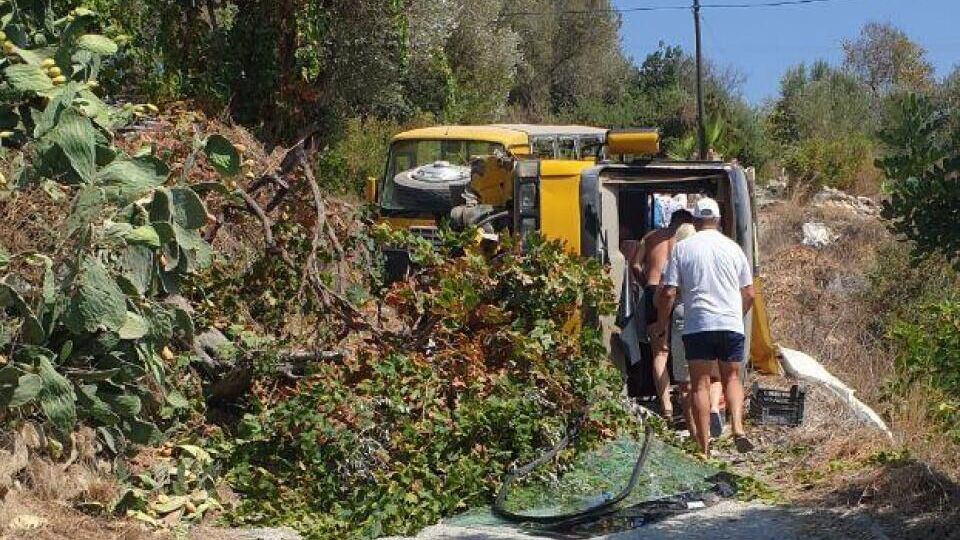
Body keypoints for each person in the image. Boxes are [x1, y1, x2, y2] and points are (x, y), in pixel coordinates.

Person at [655, 197, 756, 456]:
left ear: (696, 221)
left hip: (698, 324)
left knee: (699, 383)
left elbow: (668, 293)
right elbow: (750, 294)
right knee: (732, 377)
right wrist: (737, 315)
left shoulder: (683, 248)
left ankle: (704, 447)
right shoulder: (734, 249)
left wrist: (661, 324)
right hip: (730, 323)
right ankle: (737, 427)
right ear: (719, 220)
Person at [631, 208, 694, 419]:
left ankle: (666, 405)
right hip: (679, 295)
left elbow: (635, 264)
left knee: (660, 352)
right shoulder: (689, 241)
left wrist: (647, 285)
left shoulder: (651, 236)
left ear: (671, 221)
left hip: (653, 290)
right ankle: (687, 400)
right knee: (685, 350)